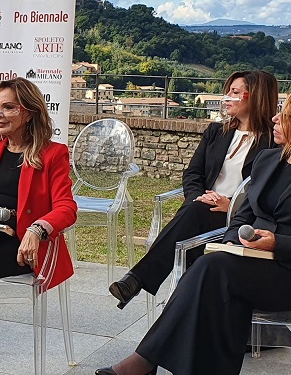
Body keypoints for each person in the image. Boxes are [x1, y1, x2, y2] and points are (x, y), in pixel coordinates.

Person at [97, 85, 291, 375]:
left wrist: (278, 243)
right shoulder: (268, 161)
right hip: (245, 264)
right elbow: (242, 216)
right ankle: (148, 364)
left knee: (212, 271)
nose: (275, 120)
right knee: (218, 284)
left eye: (285, 116)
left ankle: (143, 362)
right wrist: (232, 242)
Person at [109, 70, 279, 309]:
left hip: (239, 217)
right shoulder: (216, 132)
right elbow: (193, 173)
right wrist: (198, 196)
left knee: (192, 218)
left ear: (255, 97)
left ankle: (142, 282)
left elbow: (269, 191)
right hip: (202, 208)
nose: (227, 97)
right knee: (194, 213)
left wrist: (232, 205)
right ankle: (181, 303)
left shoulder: (272, 143)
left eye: (235, 92)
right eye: (227, 91)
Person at [0, 78, 77, 375]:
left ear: (28, 113)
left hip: (23, 248)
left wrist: (37, 229)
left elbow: (67, 207)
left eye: (8, 107)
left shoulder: (52, 153)